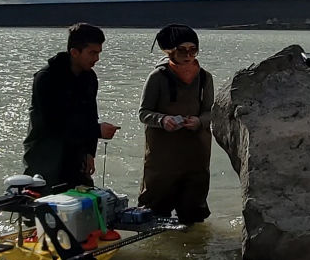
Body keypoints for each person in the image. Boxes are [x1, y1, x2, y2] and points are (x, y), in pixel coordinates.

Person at [22, 23, 119, 187]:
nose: (97, 59)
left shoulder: (89, 77)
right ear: (75, 52)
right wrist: (97, 130)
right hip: (46, 155)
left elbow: (90, 115)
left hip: (76, 154)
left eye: (98, 53)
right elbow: (52, 124)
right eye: (92, 53)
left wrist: (90, 151)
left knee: (86, 201)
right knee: (46, 204)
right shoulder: (46, 78)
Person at [137, 24, 215, 224]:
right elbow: (144, 113)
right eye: (182, 50)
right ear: (170, 51)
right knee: (154, 214)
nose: (188, 55)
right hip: (163, 160)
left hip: (195, 157)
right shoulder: (157, 77)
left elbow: (211, 112)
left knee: (193, 217)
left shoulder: (205, 77)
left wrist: (199, 121)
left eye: (193, 50)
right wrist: (162, 120)